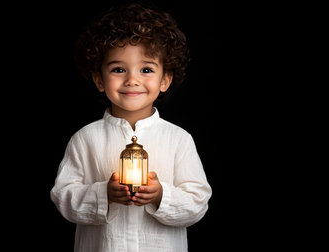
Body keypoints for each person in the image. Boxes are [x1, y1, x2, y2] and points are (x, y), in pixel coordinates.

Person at [50, 3, 212, 251]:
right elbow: (63, 197)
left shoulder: (179, 139)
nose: (132, 79)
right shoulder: (85, 139)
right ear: (99, 80)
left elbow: (198, 203)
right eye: (118, 69)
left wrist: (161, 196)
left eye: (146, 69)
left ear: (165, 79)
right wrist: (103, 194)